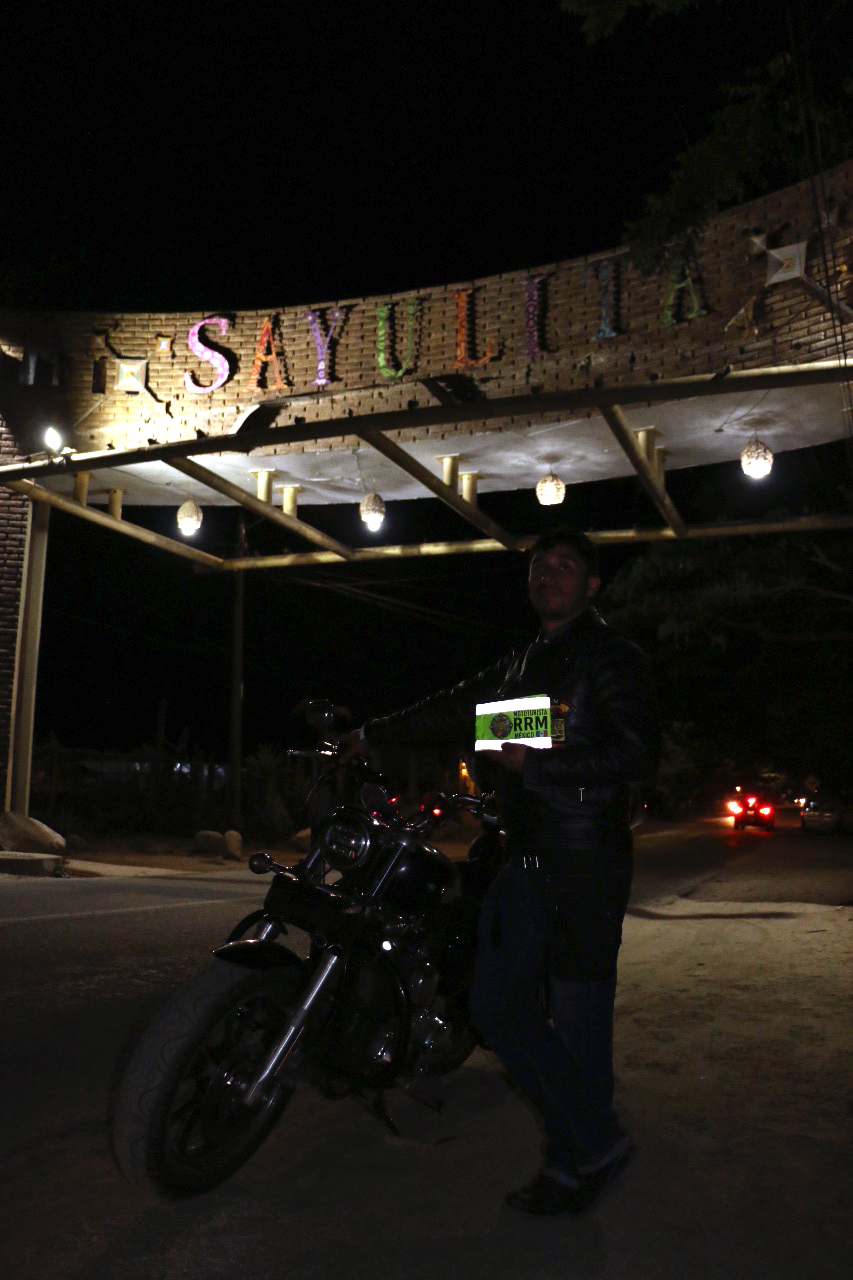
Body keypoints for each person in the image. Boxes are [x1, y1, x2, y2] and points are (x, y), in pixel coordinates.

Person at [341, 527, 660, 1215]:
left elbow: (634, 752)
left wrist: (538, 764)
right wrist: (373, 734)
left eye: (565, 565)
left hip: (584, 859)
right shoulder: (519, 665)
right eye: (540, 565)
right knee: (493, 1005)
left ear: (591, 586)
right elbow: (454, 708)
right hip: (523, 854)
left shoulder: (610, 656)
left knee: (577, 1021)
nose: (549, 574)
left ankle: (576, 1165)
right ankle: (596, 1140)